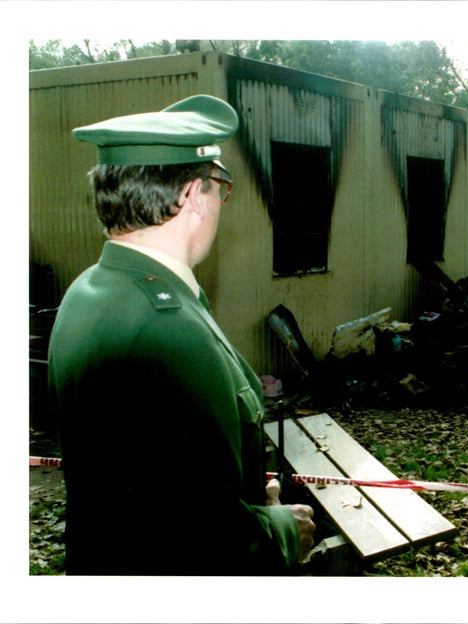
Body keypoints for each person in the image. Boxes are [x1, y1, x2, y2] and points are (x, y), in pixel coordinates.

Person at [47, 94, 315, 575]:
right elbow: (201, 540)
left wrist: (249, 495)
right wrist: (280, 529)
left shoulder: (90, 290)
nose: (220, 204)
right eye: (220, 188)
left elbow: (153, 480)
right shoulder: (167, 329)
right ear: (193, 195)